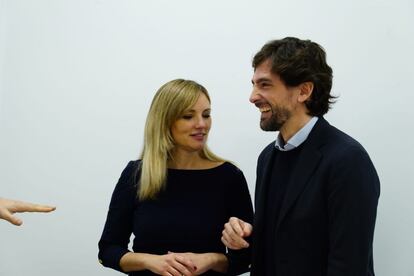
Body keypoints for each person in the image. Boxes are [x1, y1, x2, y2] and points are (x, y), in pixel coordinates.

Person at [221, 37, 380, 275]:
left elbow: (348, 266)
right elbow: (276, 250)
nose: (252, 97)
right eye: (254, 84)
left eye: (264, 85)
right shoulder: (267, 158)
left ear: (304, 91)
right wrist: (240, 240)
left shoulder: (348, 160)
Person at [98, 79, 254, 276]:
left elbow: (248, 257)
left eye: (206, 115)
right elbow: (108, 250)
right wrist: (151, 261)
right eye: (188, 116)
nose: (201, 124)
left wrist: (211, 259)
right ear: (164, 121)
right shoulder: (137, 174)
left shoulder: (229, 177)